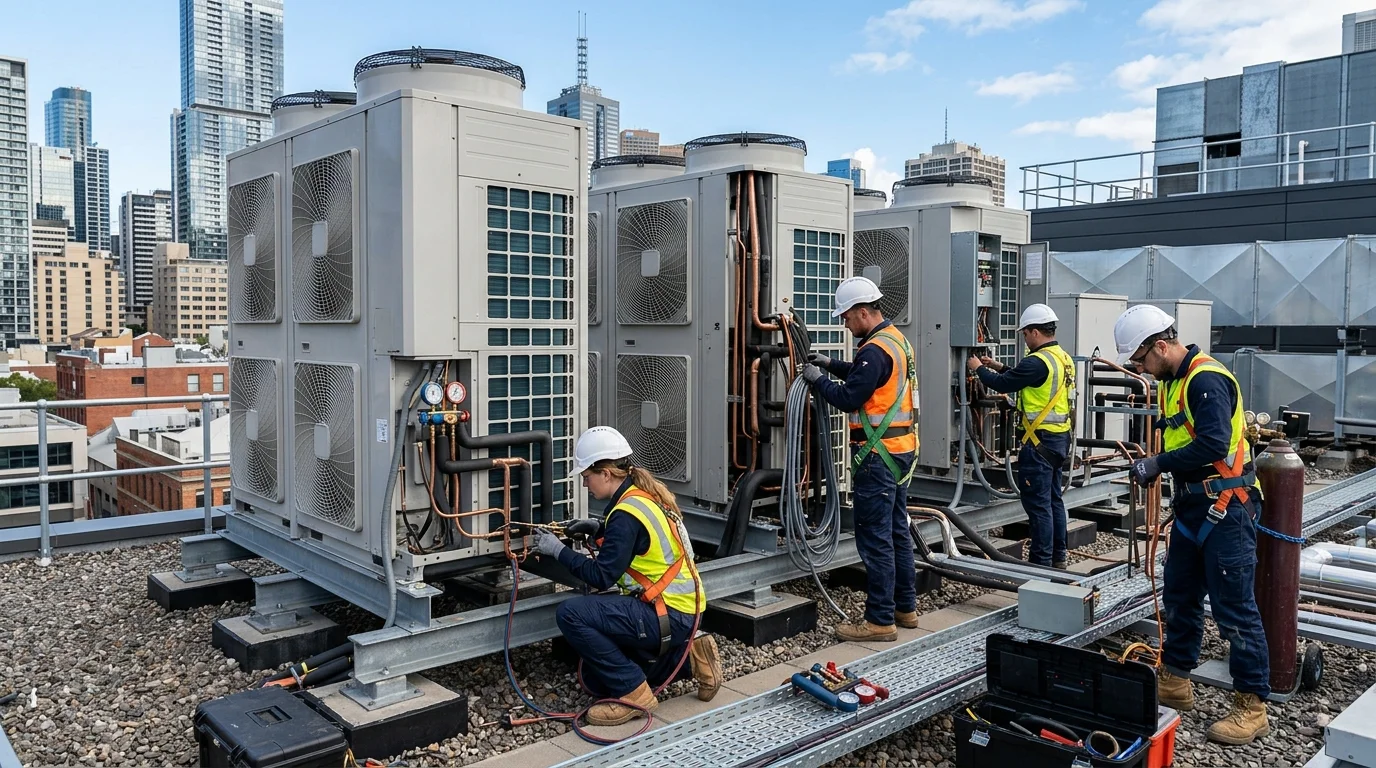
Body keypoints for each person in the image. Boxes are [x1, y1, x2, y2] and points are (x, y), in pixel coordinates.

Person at [1113, 304, 1270, 745]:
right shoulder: (1173, 381)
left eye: (1141, 359)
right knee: (1180, 595)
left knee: (1234, 608)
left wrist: (1157, 463)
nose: (1141, 369)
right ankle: (1176, 680)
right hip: (1193, 506)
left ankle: (1252, 706)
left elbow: (1214, 443)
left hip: (1227, 508)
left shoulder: (1206, 380)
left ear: (1161, 347)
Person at [532, 426, 721, 727]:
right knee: (595, 679)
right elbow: (634, 546)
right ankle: (690, 660)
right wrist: (598, 529)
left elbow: (601, 576)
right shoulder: (640, 496)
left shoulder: (625, 514)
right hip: (680, 610)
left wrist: (558, 550)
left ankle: (636, 696)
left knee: (571, 614)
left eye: (587, 476)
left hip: (667, 613)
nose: (585, 484)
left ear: (606, 473)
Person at [800, 276, 919, 643]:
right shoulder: (895, 341)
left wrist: (818, 380)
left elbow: (850, 397)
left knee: (875, 538)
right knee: (897, 531)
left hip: (877, 457)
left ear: (863, 312)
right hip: (900, 451)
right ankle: (905, 608)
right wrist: (831, 364)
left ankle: (880, 620)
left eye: (847, 317)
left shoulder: (873, 350)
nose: (845, 323)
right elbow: (869, 378)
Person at [965, 303, 1076, 569]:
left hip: (1039, 443)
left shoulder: (1037, 361)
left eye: (1025, 333)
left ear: (1035, 332)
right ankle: (1058, 557)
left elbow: (1003, 384)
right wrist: (999, 365)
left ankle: (1041, 564)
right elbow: (1024, 377)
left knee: (1038, 506)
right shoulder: (1062, 357)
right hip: (1059, 439)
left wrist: (978, 367)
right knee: (1053, 500)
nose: (1025, 339)